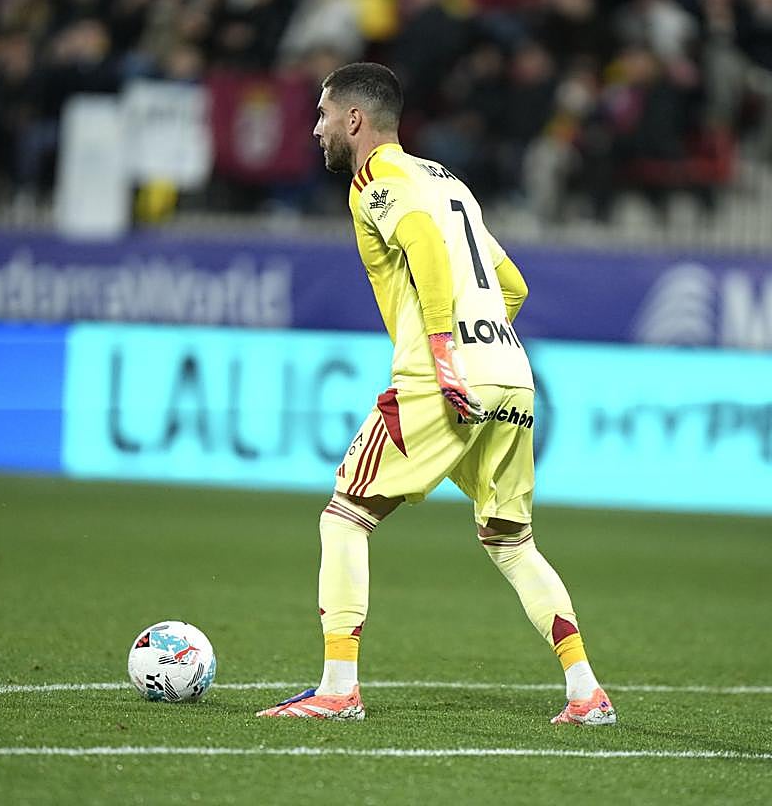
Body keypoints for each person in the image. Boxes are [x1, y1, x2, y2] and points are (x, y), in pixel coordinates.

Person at [255, 62, 615, 726]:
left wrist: (445, 351)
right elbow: (513, 284)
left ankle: (338, 690)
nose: (316, 129)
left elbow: (420, 243)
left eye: (323, 115)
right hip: (510, 366)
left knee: (344, 516)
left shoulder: (374, 181)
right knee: (512, 541)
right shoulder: (448, 180)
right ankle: (586, 691)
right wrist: (479, 342)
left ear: (355, 121)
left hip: (442, 373)